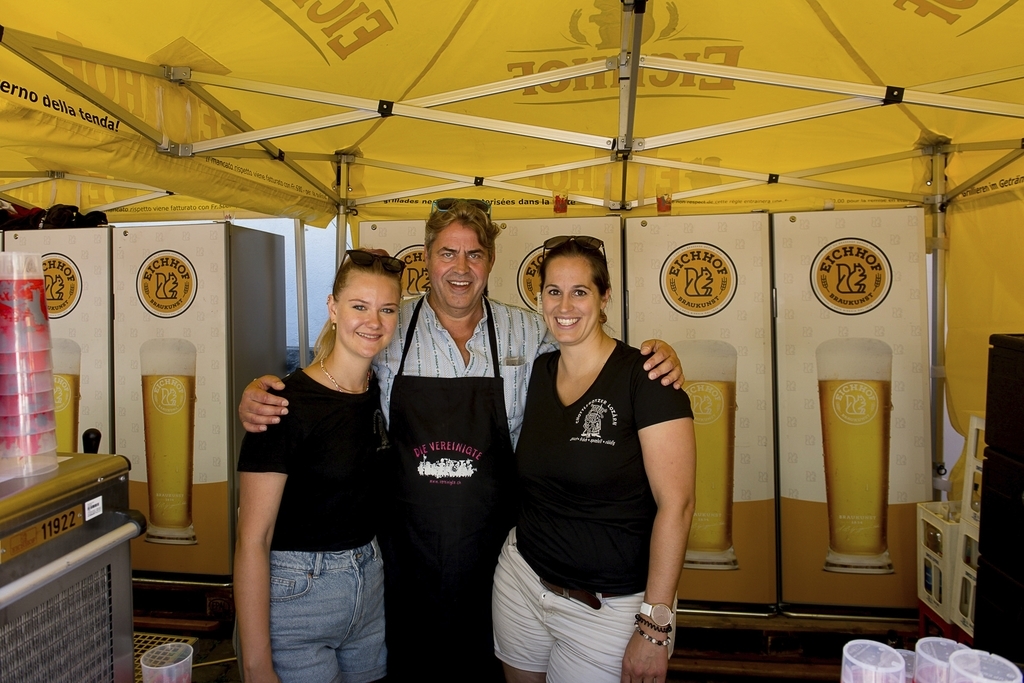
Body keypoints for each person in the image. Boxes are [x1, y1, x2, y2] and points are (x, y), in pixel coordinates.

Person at [239, 200, 684, 681]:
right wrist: (263, 390)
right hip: (402, 560)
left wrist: (656, 356)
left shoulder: (531, 330)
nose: (460, 267)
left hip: (499, 562)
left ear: (490, 261)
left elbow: (594, 350)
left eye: (474, 255)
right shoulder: (389, 326)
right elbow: (333, 377)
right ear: (427, 259)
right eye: (448, 253)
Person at [492, 235, 696, 683]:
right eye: (553, 291)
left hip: (609, 610)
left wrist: (655, 625)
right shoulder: (538, 371)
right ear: (540, 297)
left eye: (580, 291)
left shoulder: (647, 378)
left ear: (604, 297)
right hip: (523, 583)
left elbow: (677, 506)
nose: (565, 304)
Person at [234, 250, 405, 683]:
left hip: (369, 589)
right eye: (359, 306)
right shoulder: (281, 404)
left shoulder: (381, 389)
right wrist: (256, 666)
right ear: (332, 308)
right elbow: (253, 539)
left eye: (387, 309)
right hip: (299, 596)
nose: (374, 321)